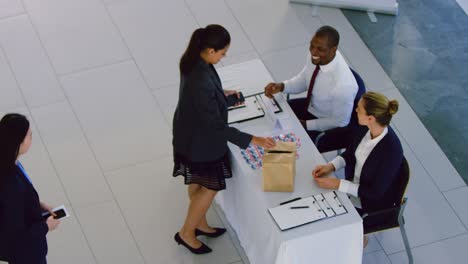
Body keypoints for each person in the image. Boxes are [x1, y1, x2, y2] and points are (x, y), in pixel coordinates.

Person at [172, 25, 275, 254]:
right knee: (210, 187)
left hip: (188, 134)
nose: (223, 56)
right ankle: (186, 233)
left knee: (197, 182)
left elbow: (200, 101)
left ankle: (198, 221)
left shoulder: (192, 61)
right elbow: (215, 125)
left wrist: (221, 95)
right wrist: (253, 139)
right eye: (222, 52)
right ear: (210, 50)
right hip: (201, 142)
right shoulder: (200, 79)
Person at [311, 91, 403, 247]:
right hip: (352, 187)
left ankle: (358, 238)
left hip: (371, 204)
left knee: (325, 231)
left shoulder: (392, 150)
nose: (355, 110)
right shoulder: (364, 128)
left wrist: (337, 184)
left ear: (371, 118)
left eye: (359, 109)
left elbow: (375, 192)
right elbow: (351, 153)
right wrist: (331, 166)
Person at [264, 25, 358, 143]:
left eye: (320, 49)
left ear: (333, 50)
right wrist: (282, 86)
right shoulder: (316, 57)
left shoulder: (344, 86)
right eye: (312, 46)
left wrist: (306, 125)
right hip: (312, 106)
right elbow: (305, 79)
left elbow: (340, 121)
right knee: (271, 117)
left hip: (326, 124)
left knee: (283, 144)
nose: (313, 52)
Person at [0, 113, 60, 264]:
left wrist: (39, 205)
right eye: (29, 136)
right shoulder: (10, 183)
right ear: (18, 142)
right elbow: (17, 235)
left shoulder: (11, 164)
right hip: (27, 256)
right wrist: (46, 226)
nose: (32, 138)